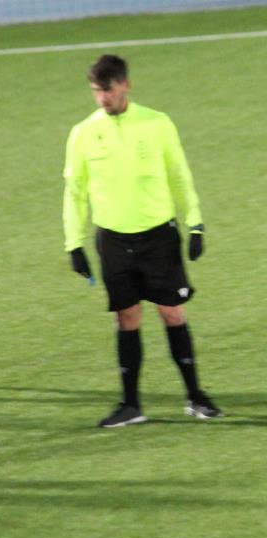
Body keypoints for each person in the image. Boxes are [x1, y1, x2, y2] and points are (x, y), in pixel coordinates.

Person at [62, 54, 223, 428]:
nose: (102, 98)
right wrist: (74, 243)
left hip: (158, 236)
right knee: (127, 317)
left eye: (108, 89)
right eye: (96, 91)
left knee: (171, 312)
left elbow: (180, 176)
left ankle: (196, 397)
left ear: (125, 85)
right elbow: (75, 193)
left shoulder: (157, 123)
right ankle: (131, 405)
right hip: (113, 240)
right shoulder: (83, 133)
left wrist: (195, 223)